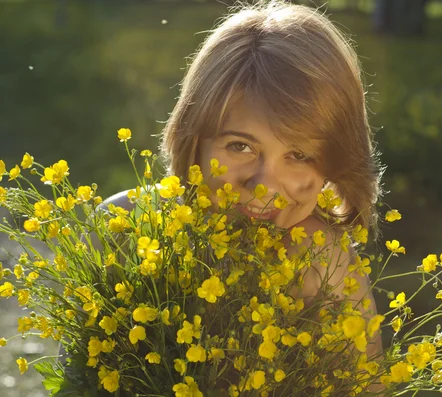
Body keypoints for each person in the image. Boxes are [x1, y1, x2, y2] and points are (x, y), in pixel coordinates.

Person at [103, 0, 385, 392]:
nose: (264, 186)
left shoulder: (325, 263)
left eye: (299, 155)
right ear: (194, 138)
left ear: (336, 165)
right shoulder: (123, 224)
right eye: (240, 146)